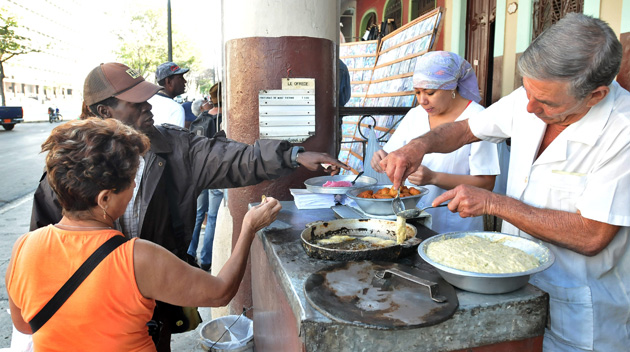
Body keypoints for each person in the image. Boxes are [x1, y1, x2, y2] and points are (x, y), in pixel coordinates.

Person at [30, 62, 347, 351]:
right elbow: (43, 261)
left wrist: (292, 156)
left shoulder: (173, 147)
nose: (148, 107)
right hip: (85, 315)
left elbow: (234, 158)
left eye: (147, 98)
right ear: (103, 111)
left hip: (154, 309)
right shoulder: (66, 169)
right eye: (135, 102)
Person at [380, 14, 630, 351]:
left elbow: (592, 236)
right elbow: (468, 128)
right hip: (514, 287)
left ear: (595, 95)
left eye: (547, 103)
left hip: (580, 309)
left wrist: (493, 202)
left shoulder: (622, 132)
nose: (529, 107)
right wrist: (417, 146)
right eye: (528, 92)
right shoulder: (535, 96)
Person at [7, 117, 282, 351]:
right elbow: (220, 293)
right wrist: (248, 227)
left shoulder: (25, 247)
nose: (135, 186)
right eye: (130, 182)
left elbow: (23, 324)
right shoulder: (136, 257)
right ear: (104, 199)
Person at [371, 51, 499, 233]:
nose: (423, 100)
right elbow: (393, 153)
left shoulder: (477, 118)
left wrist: (434, 178)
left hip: (455, 222)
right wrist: (382, 158)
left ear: (451, 87)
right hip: (412, 219)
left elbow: (486, 183)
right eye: (417, 92)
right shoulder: (415, 115)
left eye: (430, 92)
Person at [188, 82, 224, 271]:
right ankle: (207, 260)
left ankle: (189, 254)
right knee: (212, 218)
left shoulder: (201, 118)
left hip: (199, 173)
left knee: (197, 215)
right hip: (217, 175)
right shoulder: (224, 119)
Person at [148, 61, 188, 127]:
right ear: (168, 81)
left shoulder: (148, 101)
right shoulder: (176, 109)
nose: (185, 81)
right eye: (180, 77)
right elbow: (177, 136)